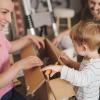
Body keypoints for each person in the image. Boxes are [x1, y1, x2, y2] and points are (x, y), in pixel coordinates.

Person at [42, 21, 100, 100]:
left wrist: (60, 69)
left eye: (74, 44)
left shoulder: (95, 66)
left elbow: (81, 79)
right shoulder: (90, 57)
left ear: (84, 48)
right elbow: (83, 69)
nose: (73, 46)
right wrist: (70, 62)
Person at [0, 0, 45, 99]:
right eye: (4, 12)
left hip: (8, 89)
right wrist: (19, 65)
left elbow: (9, 47)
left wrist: (29, 38)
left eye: (10, 13)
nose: (9, 20)